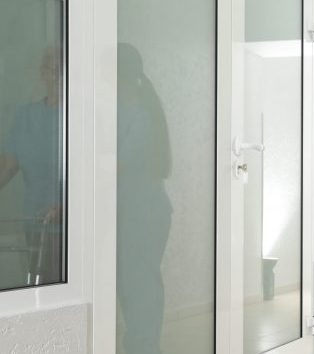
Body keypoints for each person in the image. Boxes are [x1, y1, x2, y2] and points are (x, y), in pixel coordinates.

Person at [116, 42, 172, 354]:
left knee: (140, 285)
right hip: (132, 210)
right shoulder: (121, 110)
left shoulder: (141, 115)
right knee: (130, 284)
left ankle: (144, 347)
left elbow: (118, 165)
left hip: (145, 212)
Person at [0, 46, 64, 286]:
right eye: (53, 70)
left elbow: (97, 175)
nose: (58, 76)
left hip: (72, 225)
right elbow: (7, 166)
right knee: (39, 287)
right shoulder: (25, 116)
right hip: (35, 222)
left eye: (63, 70)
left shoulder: (82, 115)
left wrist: (65, 206)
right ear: (43, 73)